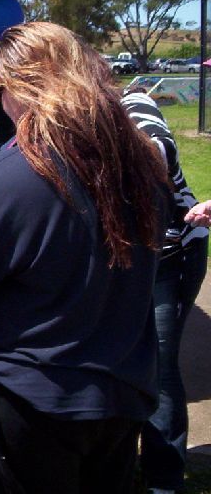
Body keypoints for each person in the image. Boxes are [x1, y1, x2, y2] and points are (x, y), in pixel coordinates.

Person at [0, 22, 170, 492]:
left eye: (0, 90)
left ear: (23, 89)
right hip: (123, 389)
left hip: (35, 396)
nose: (0, 103)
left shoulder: (13, 175)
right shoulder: (142, 164)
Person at [121, 86, 209, 494]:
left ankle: (164, 479)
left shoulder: (137, 113)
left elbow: (158, 150)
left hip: (171, 256)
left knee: (159, 364)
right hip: (129, 257)